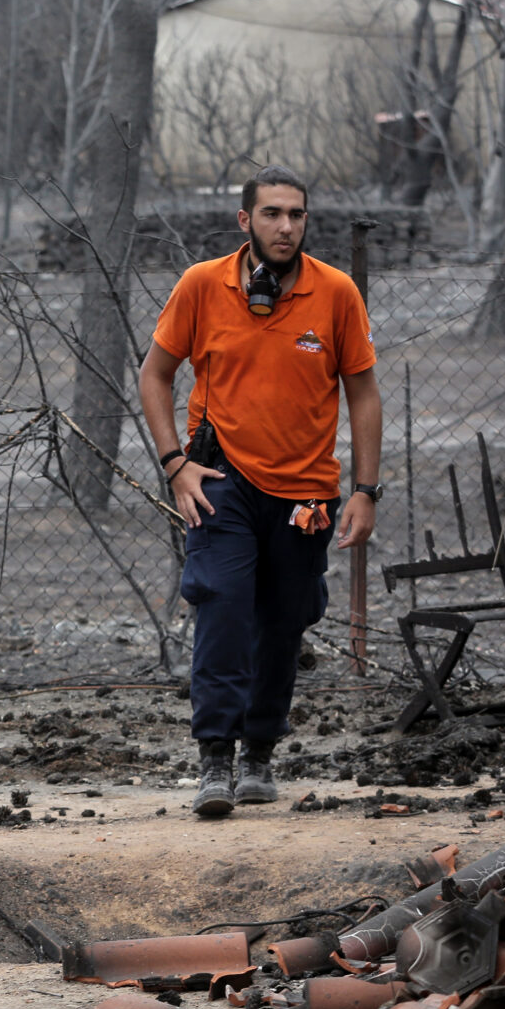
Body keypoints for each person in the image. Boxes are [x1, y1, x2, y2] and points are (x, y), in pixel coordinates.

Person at [137, 165, 383, 818]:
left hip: (306, 492)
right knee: (220, 603)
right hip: (223, 482)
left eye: (296, 214)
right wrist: (174, 463)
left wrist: (365, 490)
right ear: (245, 221)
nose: (285, 225)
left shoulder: (335, 294)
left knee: (283, 618)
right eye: (272, 213)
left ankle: (259, 751)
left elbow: (362, 392)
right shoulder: (201, 285)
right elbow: (155, 374)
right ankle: (215, 754)